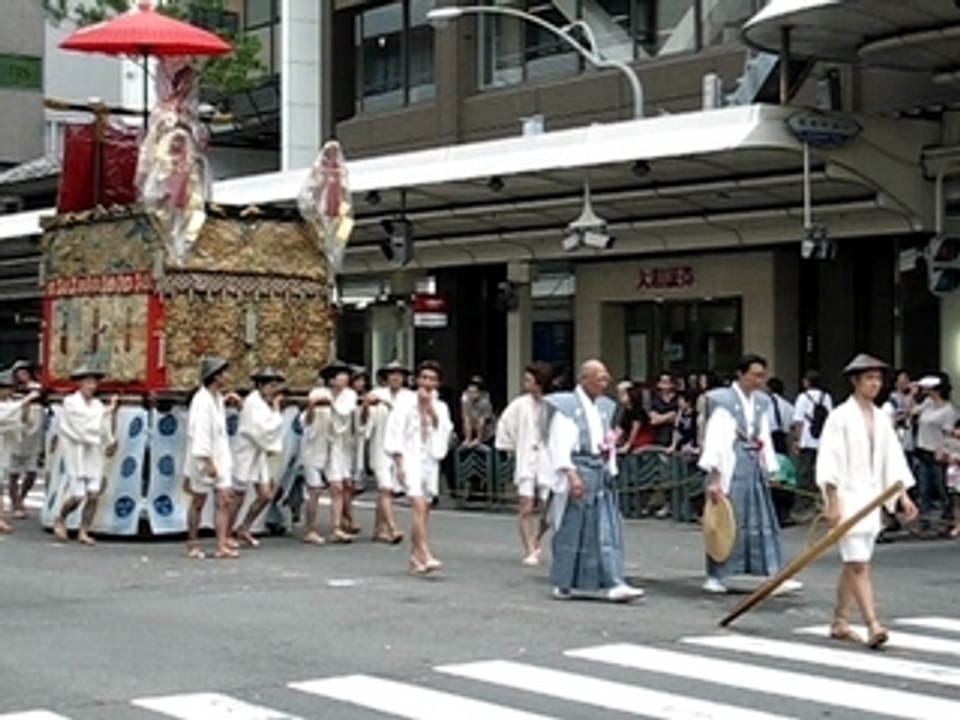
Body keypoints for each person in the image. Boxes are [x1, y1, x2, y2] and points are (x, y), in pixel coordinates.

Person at [816, 354, 918, 648]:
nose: (875, 384)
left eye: (878, 379)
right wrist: (832, 501)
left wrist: (902, 495)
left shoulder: (881, 417)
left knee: (856, 562)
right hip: (847, 496)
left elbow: (893, 460)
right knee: (858, 563)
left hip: (872, 497)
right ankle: (873, 624)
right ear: (855, 382)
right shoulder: (839, 417)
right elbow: (830, 461)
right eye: (869, 378)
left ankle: (840, 620)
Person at [546, 359, 643, 602]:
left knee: (605, 528)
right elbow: (559, 443)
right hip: (579, 467)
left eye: (606, 377)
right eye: (599, 377)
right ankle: (564, 580)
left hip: (599, 469)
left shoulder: (604, 407)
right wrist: (571, 475)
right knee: (573, 528)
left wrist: (609, 461)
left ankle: (613, 580)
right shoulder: (567, 407)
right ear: (584, 379)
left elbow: (606, 439)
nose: (605, 382)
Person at [698, 354, 796, 594]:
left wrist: (770, 468)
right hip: (731, 464)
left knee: (762, 521)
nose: (759, 380)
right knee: (726, 522)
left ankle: (772, 573)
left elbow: (763, 436)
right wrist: (715, 477)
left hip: (753, 464)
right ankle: (716, 575)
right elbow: (717, 440)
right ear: (740, 374)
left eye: (762, 376)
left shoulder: (761, 401)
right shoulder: (722, 401)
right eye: (754, 375)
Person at [384, 360, 452, 574]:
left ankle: (415, 556)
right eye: (424, 378)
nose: (427, 383)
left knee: (424, 510)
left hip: (429, 459)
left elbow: (443, 430)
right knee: (418, 505)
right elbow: (395, 432)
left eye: (432, 379)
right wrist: (398, 463)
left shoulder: (441, 407)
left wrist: (429, 409)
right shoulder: (405, 403)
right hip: (409, 458)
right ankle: (425, 552)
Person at [495, 362, 554, 566]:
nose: (525, 383)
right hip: (527, 456)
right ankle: (529, 548)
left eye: (529, 380)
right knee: (525, 507)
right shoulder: (520, 404)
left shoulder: (553, 405)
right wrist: (511, 446)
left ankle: (537, 538)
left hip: (547, 458)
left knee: (549, 508)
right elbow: (505, 424)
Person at [53, 366, 118, 546]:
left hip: (94, 451)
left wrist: (110, 440)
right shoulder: (70, 402)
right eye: (88, 382)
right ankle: (61, 518)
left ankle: (84, 530)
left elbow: (103, 424)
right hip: (77, 452)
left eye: (94, 383)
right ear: (80, 384)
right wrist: (107, 411)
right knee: (77, 495)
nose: (92, 386)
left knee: (94, 494)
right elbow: (82, 424)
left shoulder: (97, 405)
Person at [185, 357, 237, 559]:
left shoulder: (216, 399)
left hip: (220, 454)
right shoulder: (201, 401)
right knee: (198, 501)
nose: (227, 377)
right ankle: (192, 542)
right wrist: (207, 461)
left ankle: (221, 544)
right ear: (215, 377)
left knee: (224, 500)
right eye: (224, 374)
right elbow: (201, 431)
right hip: (204, 456)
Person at [230, 367, 286, 549]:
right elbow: (261, 429)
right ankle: (226, 533)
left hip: (258, 452)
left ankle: (244, 527)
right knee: (238, 495)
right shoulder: (253, 403)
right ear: (260, 386)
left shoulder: (263, 404)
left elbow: (268, 429)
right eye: (270, 386)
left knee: (266, 495)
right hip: (246, 451)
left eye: (275, 386)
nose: (273, 390)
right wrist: (276, 411)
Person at [366, 361, 413, 544]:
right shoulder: (377, 394)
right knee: (385, 487)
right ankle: (393, 528)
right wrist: (368, 406)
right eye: (392, 374)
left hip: (401, 448)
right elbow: (365, 420)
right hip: (380, 446)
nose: (395, 378)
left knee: (387, 490)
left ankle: (379, 529)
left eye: (399, 375)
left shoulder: (410, 397)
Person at [911, 372, 956, 533]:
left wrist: (944, 450)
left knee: (943, 488)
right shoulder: (928, 403)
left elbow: (948, 433)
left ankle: (948, 519)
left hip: (938, 452)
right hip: (923, 450)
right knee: (923, 488)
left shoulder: (948, 410)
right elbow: (912, 412)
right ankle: (924, 521)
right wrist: (913, 395)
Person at [321, 360, 359, 543]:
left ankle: (346, 519)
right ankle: (336, 526)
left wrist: (331, 403)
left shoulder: (350, 395)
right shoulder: (321, 394)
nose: (344, 378)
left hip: (345, 443)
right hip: (326, 443)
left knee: (346, 484)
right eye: (340, 375)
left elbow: (344, 411)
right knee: (336, 486)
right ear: (331, 380)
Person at [0, 370, 41, 533]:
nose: (8, 392)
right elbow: (4, 415)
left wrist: (25, 407)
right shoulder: (8, 406)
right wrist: (25, 400)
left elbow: (21, 423)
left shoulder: (11, 404)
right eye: (5, 389)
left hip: (5, 446)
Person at [792, 370, 833, 519]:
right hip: (823, 441)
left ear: (806, 382)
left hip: (807, 440)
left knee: (804, 474)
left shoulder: (803, 397)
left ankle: (804, 505)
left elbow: (799, 421)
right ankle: (822, 503)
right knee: (822, 473)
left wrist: (796, 440)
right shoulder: (826, 397)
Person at [298, 374, 333, 546]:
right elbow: (308, 424)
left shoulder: (331, 413)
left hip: (326, 454)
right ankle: (309, 529)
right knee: (314, 490)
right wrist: (312, 406)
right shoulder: (307, 414)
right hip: (310, 456)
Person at [7, 360, 44, 519]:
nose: (22, 376)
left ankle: (21, 498)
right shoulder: (12, 392)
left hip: (33, 437)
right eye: (19, 373)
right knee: (13, 473)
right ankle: (16, 503)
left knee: (31, 473)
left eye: (25, 372)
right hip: (17, 437)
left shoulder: (38, 390)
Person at [460, 375, 495, 447]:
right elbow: (466, 418)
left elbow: (482, 422)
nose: (471, 395)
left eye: (474, 392)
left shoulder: (485, 402)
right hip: (473, 428)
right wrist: (468, 439)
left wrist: (479, 440)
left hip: (487, 432)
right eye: (469, 392)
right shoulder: (465, 399)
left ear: (479, 392)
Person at [648, 373, 679, 448]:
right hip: (656, 437)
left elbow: (677, 417)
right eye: (662, 381)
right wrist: (668, 417)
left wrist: (659, 419)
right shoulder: (655, 399)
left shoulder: (677, 399)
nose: (663, 384)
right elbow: (653, 420)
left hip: (673, 439)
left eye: (666, 382)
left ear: (672, 384)